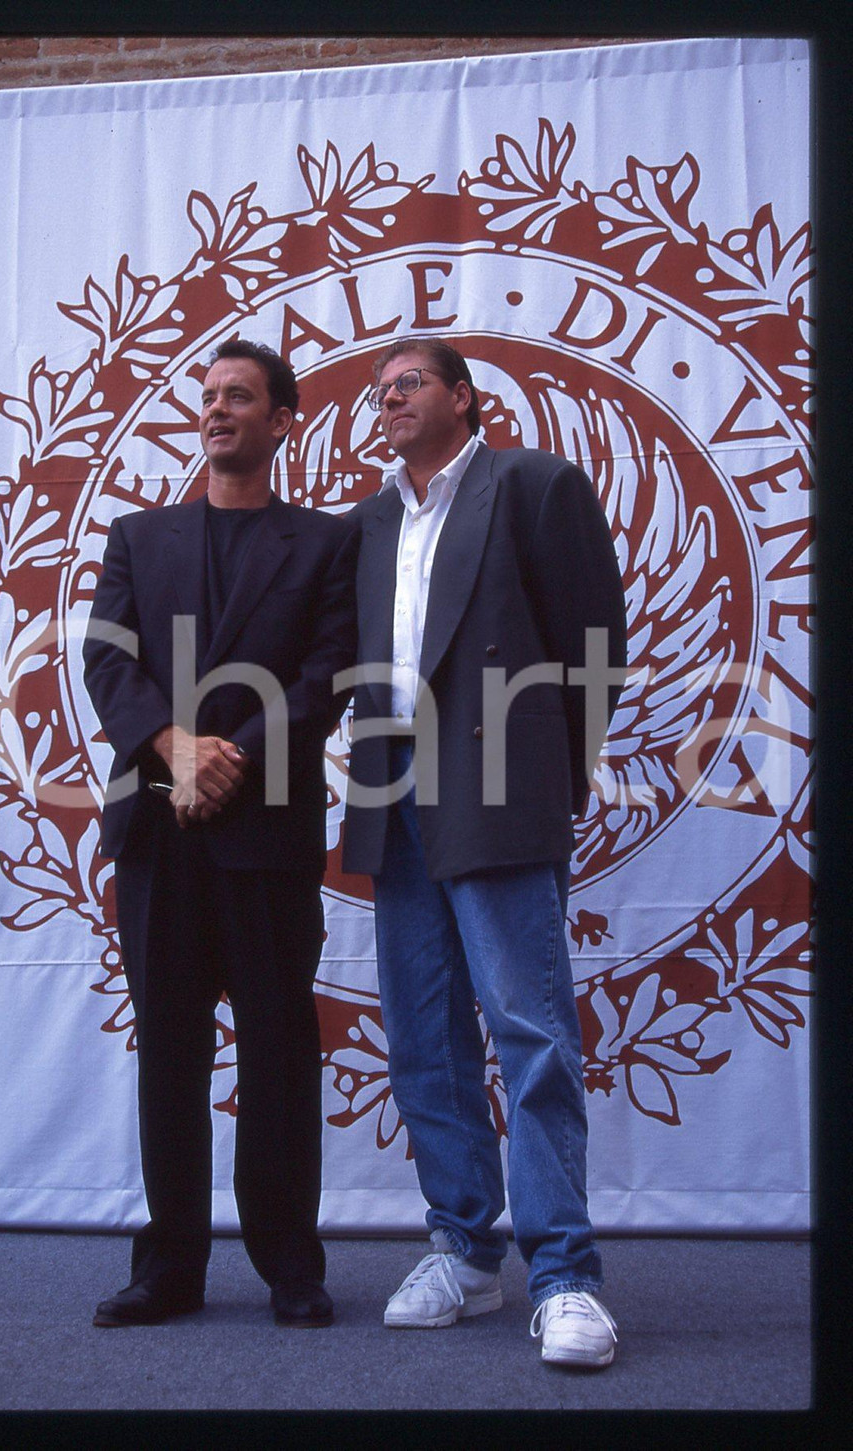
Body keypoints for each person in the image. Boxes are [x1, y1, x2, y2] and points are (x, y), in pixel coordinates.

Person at [342, 338, 627, 1367]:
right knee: (422, 1036)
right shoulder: (370, 519)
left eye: (407, 384)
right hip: (393, 798)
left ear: (463, 398)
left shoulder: (535, 483)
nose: (388, 400)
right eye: (379, 392)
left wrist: (554, 769)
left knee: (530, 1028)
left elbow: (595, 642)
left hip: (500, 788)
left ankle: (564, 1274)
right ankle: (464, 1250)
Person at [83, 339, 357, 1329]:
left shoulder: (328, 544)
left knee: (280, 1047)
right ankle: (169, 1267)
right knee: (168, 1047)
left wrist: (228, 754)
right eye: (207, 396)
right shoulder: (136, 536)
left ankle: (290, 1261)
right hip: (159, 834)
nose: (217, 408)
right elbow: (108, 662)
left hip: (268, 831)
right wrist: (173, 746)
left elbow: (329, 672)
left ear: (282, 420)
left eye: (239, 396)